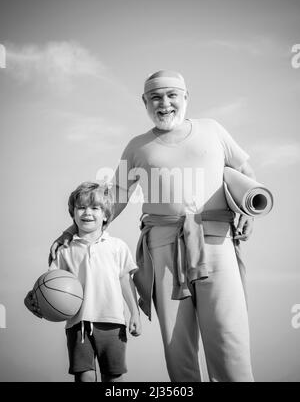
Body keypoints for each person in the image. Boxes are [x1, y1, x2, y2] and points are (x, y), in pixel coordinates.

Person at [50, 70, 255, 382]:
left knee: (230, 337)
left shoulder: (213, 130)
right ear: (144, 102)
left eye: (172, 95)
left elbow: (243, 170)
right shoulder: (137, 147)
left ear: (185, 97)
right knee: (177, 347)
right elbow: (113, 199)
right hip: (162, 250)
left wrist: (248, 212)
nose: (165, 103)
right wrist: (71, 232)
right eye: (156, 97)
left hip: (216, 241)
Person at [25, 181, 141, 382]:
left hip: (112, 322)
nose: (87, 212)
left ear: (105, 215)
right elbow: (49, 285)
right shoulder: (63, 250)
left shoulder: (117, 246)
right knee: (84, 377)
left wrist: (135, 314)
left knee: (114, 377)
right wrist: (31, 299)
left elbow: (125, 279)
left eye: (95, 208)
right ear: (73, 214)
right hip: (78, 324)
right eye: (81, 208)